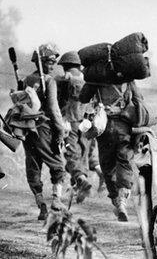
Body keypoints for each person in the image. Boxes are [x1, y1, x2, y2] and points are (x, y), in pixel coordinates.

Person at [79, 80, 140, 222]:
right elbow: (138, 100)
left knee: (108, 167)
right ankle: (122, 202)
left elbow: (83, 97)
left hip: (104, 127)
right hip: (124, 127)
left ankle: (117, 201)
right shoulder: (128, 78)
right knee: (125, 162)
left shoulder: (97, 76)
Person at [22, 43, 67, 220]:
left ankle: (41, 202)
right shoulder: (49, 81)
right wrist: (61, 131)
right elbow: (54, 109)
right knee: (58, 164)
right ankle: (55, 201)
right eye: (49, 61)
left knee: (33, 166)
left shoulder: (26, 80)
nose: (52, 65)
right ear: (41, 62)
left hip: (27, 131)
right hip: (44, 130)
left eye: (54, 61)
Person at [56, 51, 93, 203]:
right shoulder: (88, 81)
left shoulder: (64, 80)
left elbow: (57, 102)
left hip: (69, 123)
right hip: (87, 124)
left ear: (65, 65)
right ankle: (79, 185)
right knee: (83, 154)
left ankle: (81, 179)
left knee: (71, 155)